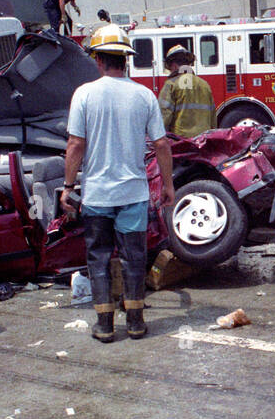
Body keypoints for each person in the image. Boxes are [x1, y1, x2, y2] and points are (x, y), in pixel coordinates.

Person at [59, 24, 175, 342]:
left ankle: (105, 325)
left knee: (98, 256)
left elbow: (75, 145)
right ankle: (136, 322)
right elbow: (162, 145)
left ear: (98, 59)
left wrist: (68, 187)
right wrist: (168, 186)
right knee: (134, 257)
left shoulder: (84, 94)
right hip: (134, 193)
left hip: (97, 195)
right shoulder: (144, 95)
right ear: (126, 60)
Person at [157, 44, 217, 138]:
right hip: (203, 140)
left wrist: (158, 137)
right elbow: (213, 118)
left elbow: (164, 115)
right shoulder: (205, 85)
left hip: (180, 141)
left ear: (174, 65)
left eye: (170, 68)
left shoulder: (171, 84)